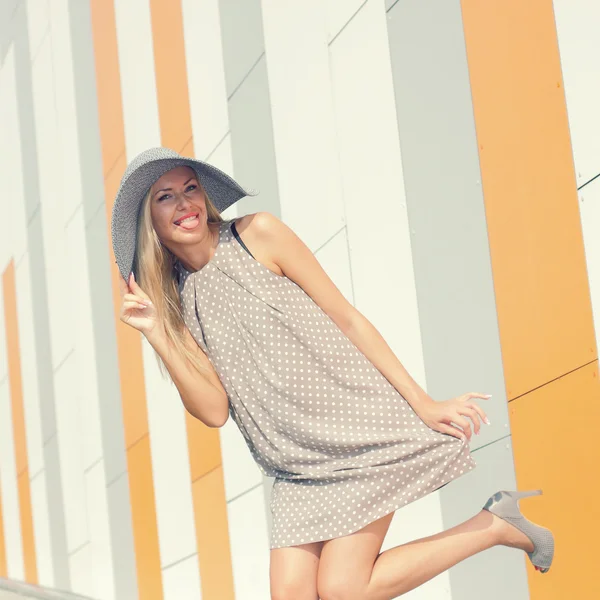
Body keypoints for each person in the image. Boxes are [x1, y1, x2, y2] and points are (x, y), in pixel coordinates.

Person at [112, 147, 554, 599]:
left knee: (343, 591)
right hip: (295, 466)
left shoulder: (256, 235)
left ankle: (494, 526)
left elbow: (347, 318)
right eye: (166, 197)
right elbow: (214, 411)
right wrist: (158, 335)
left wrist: (422, 402)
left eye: (190, 189)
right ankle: (497, 524)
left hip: (356, 432)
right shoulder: (178, 304)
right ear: (151, 222)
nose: (185, 204)